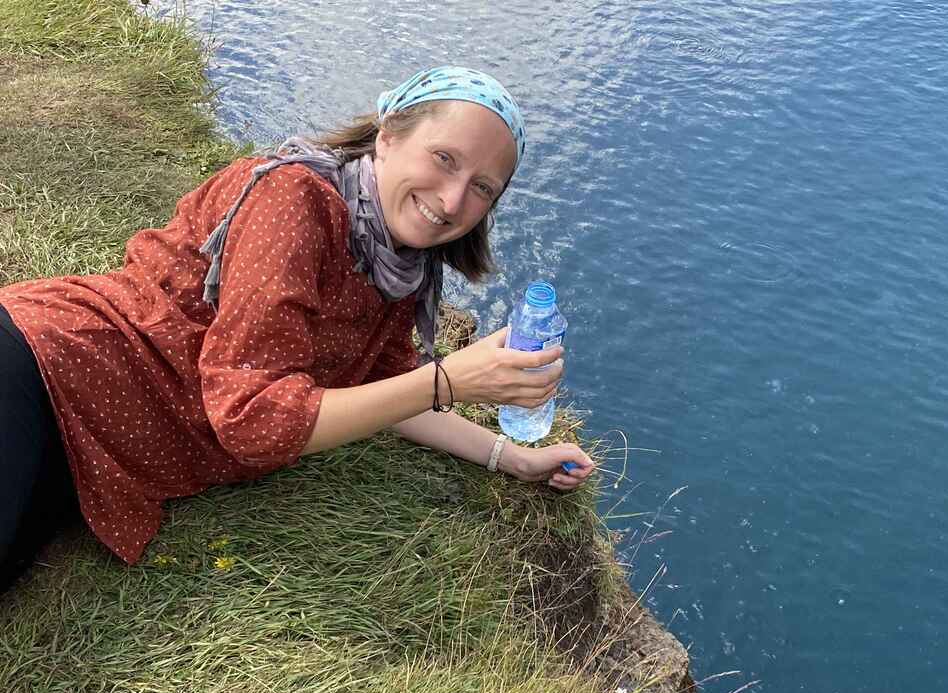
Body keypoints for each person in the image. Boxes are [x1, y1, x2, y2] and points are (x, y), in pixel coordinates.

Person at [0, 65, 594, 593]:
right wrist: (448, 381)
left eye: (483, 187)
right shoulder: (294, 199)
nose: (453, 198)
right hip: (50, 366)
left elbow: (385, 394)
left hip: (103, 445)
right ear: (388, 135)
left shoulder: (400, 264)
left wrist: (510, 457)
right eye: (445, 159)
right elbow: (250, 420)